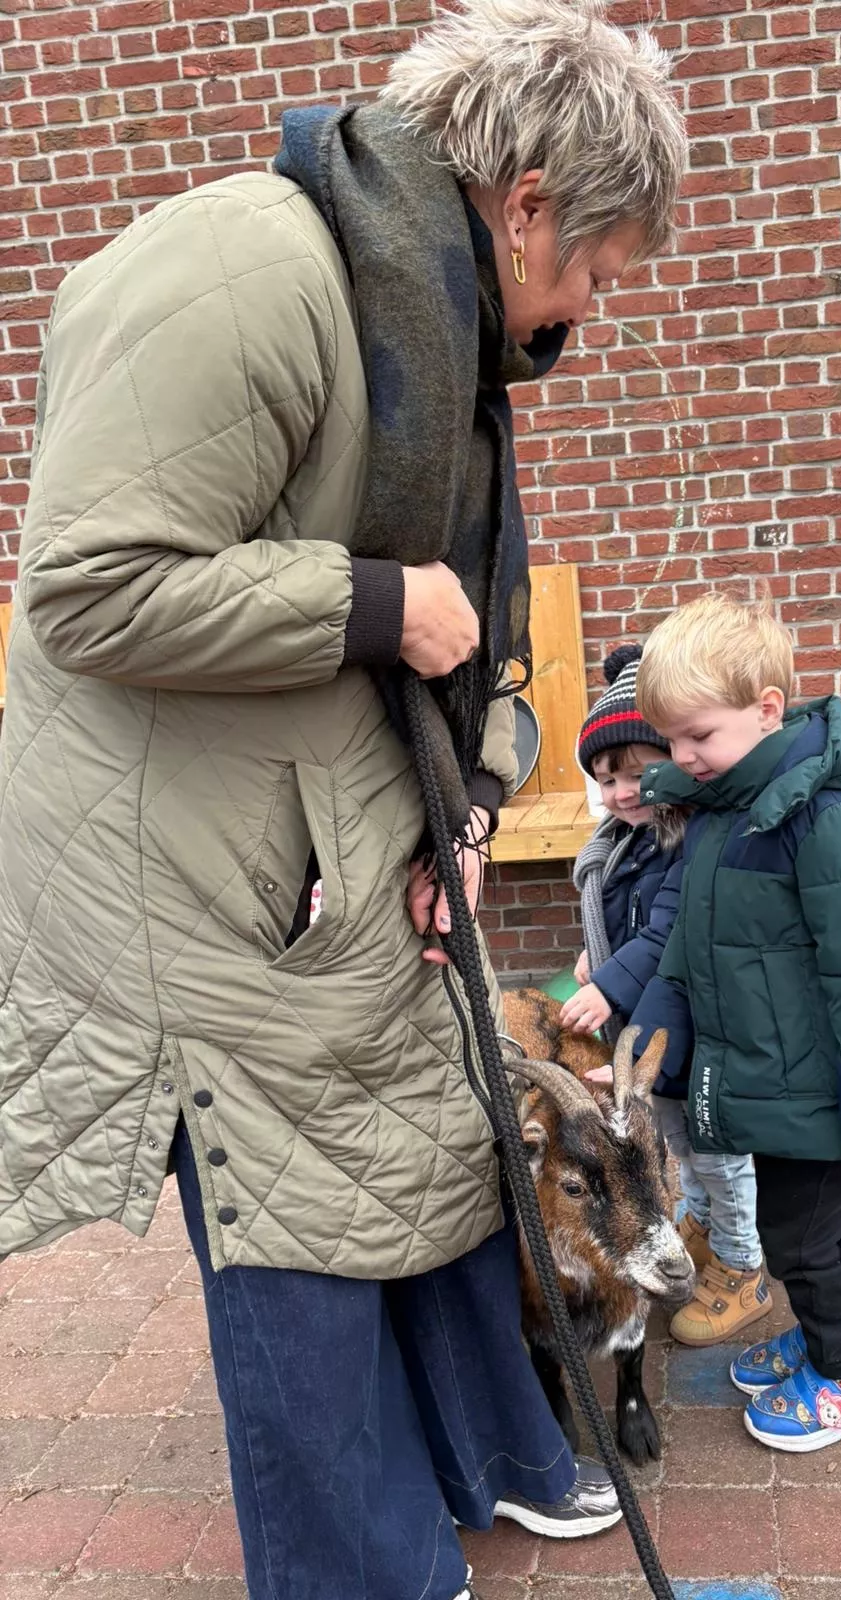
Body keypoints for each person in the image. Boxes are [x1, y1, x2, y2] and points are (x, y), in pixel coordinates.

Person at [0, 2, 686, 1595]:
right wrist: (377, 604)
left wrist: (469, 809)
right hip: (190, 864)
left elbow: (474, 637)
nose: (589, 312)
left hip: (332, 819)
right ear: (527, 205)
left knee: (431, 1132)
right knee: (298, 1217)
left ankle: (487, 1459)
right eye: (595, 269)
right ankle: (355, 1567)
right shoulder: (241, 274)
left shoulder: (426, 323)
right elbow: (89, 589)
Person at [630, 592, 841, 1453]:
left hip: (825, 1092)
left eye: (698, 736)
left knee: (808, 1239)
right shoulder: (732, 811)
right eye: (670, 741)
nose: (682, 758)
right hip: (772, 1078)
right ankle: (828, 1338)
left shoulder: (833, 821)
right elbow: (692, 946)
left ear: (766, 710)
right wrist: (654, 1037)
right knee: (798, 1232)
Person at [562, 643, 772, 1347]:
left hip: (702, 1028)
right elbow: (627, 925)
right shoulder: (627, 844)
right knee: (679, 1142)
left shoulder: (690, 844)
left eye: (635, 772)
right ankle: (705, 1229)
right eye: (605, 778)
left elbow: (668, 933)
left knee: (718, 1151)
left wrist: (610, 985)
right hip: (659, 1029)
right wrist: (596, 955)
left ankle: (742, 1266)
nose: (622, 792)